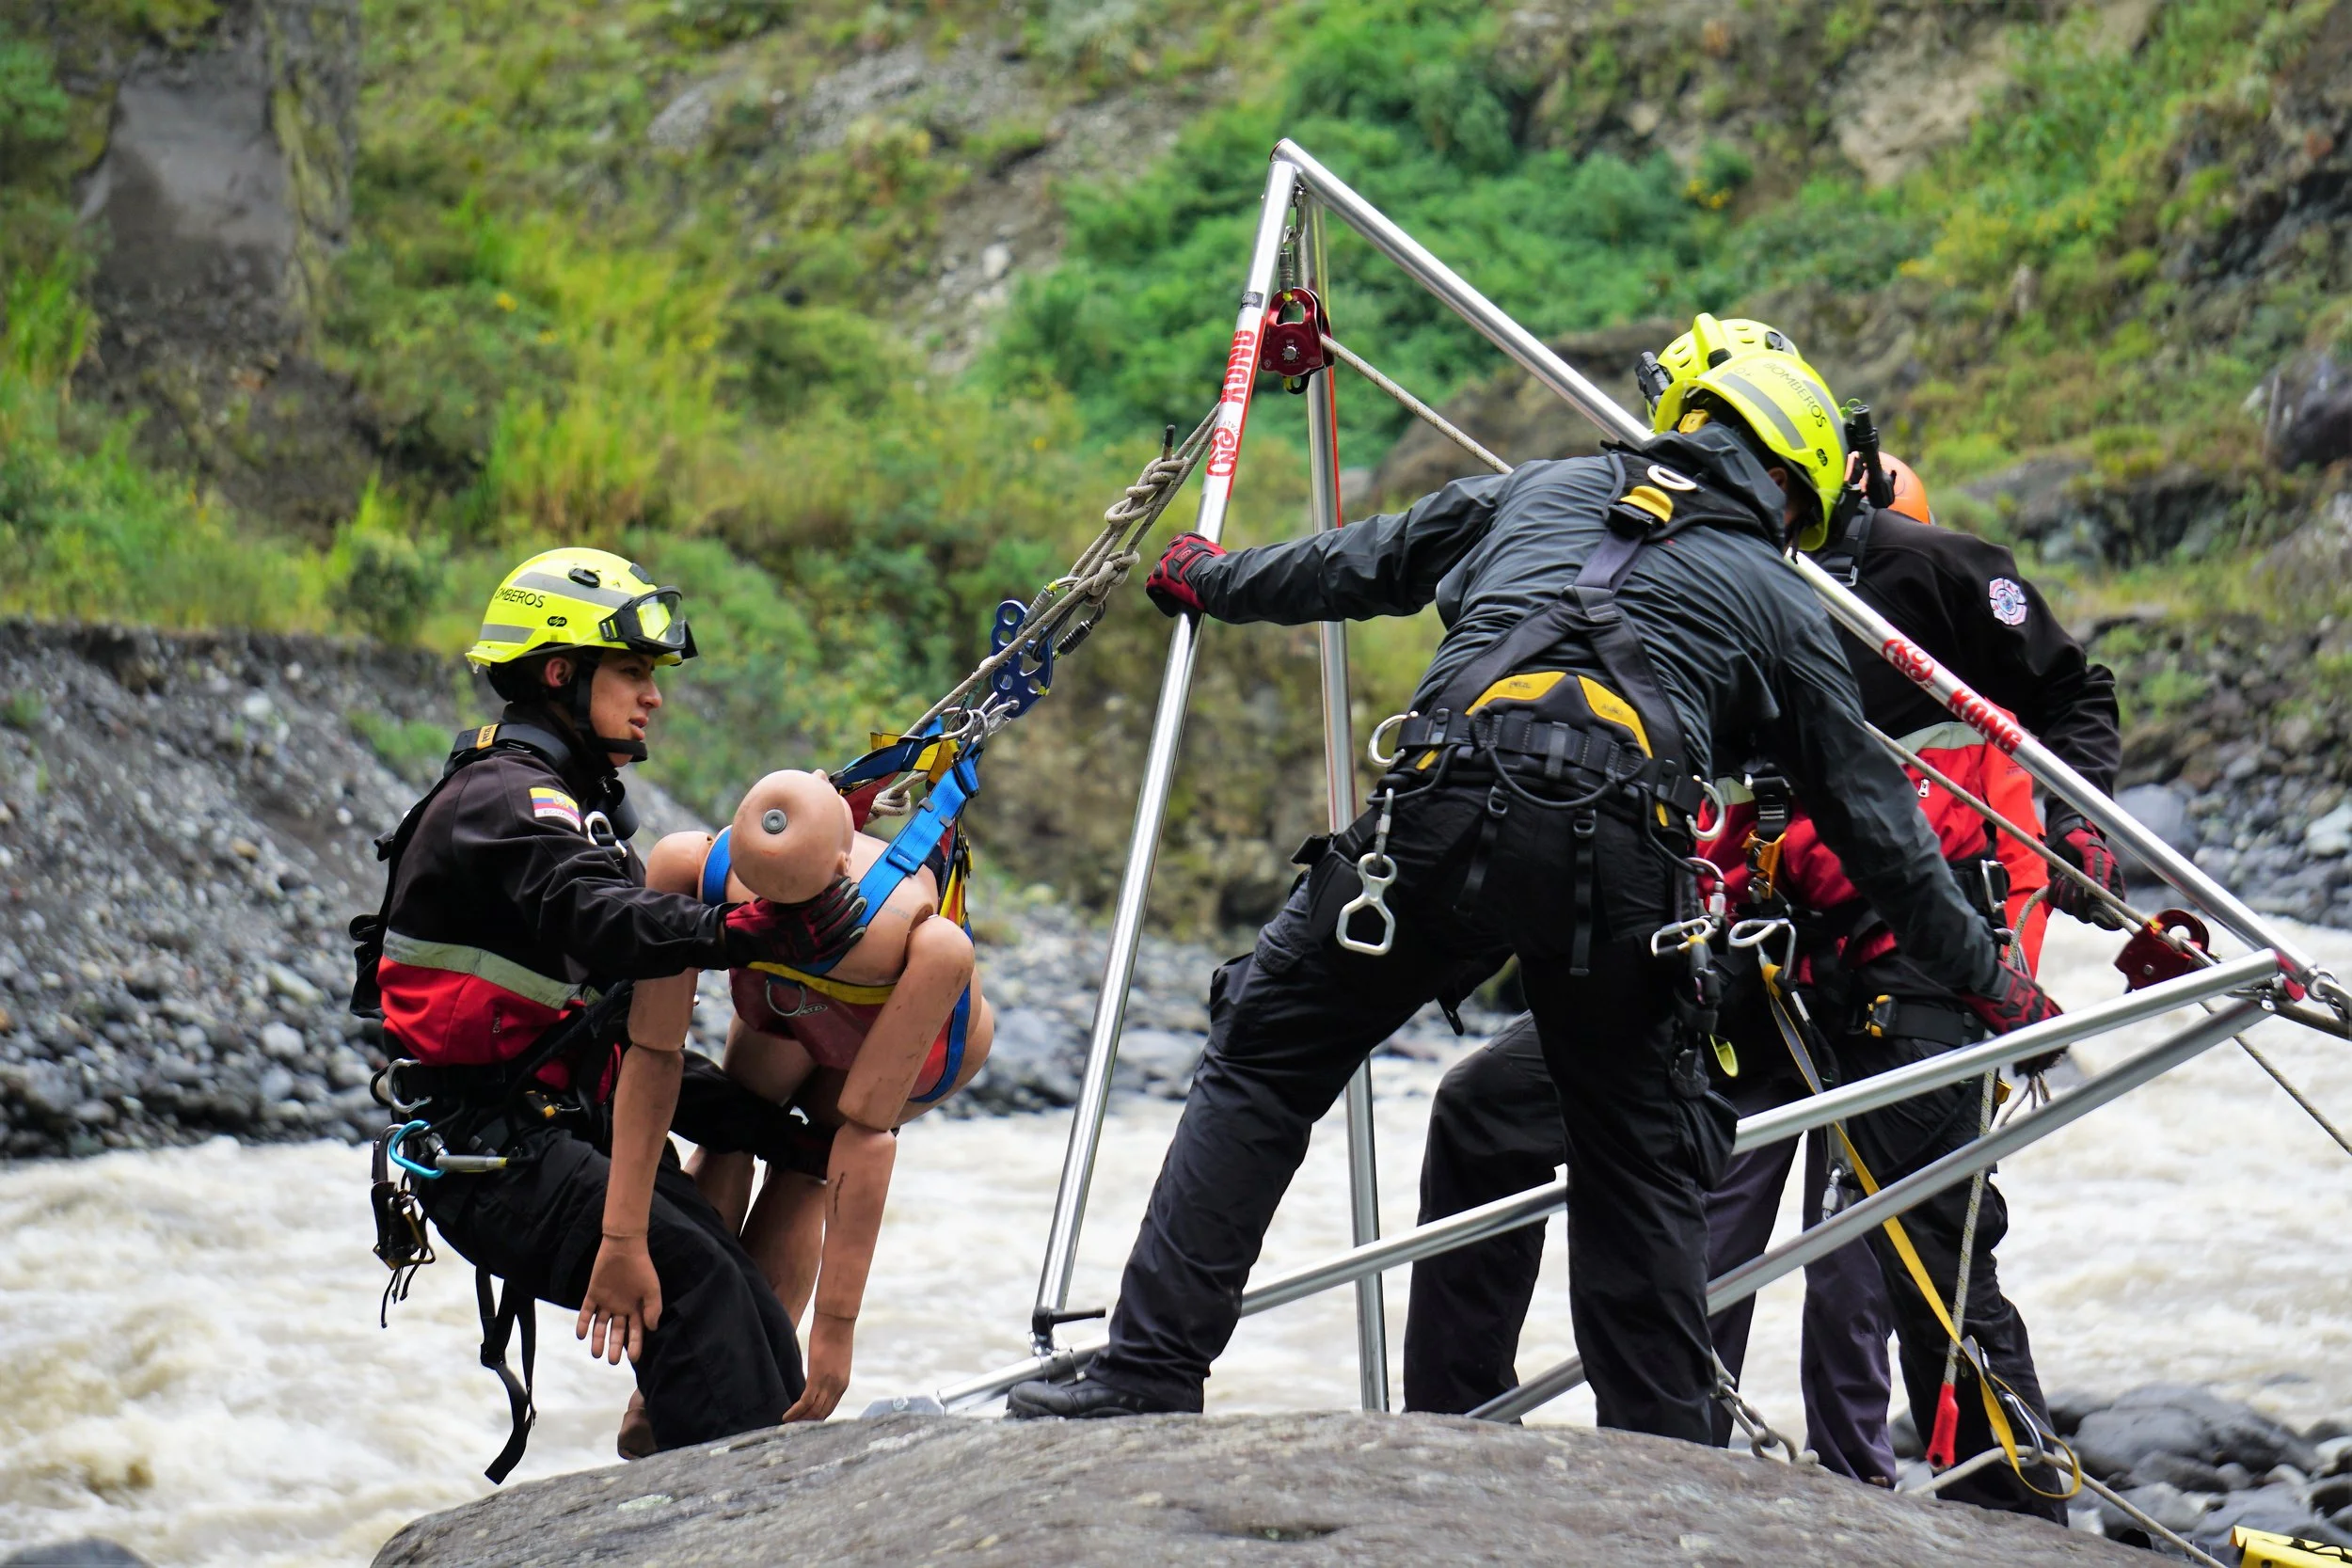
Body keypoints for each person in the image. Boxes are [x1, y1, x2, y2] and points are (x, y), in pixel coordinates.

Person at [1007, 325, 2062, 1438]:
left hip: (1435, 817)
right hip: (1622, 872)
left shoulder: (1535, 489)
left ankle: (1151, 1364)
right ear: (1787, 484)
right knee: (1636, 1153)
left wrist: (1213, 581)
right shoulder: (1781, 599)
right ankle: (1665, 1451)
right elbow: (1881, 835)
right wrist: (1991, 980)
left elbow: (1356, 561)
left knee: (1268, 1055)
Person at [1401, 319, 2122, 1517]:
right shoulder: (1680, 568)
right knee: (1518, 1125)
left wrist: (2079, 839)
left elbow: (2071, 690)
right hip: (1746, 949)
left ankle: (2017, 1514)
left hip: (1913, 965)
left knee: (1928, 1251)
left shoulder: (1939, 575)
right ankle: (1523, 1451)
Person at [354, 547, 872, 1470]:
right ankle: (746, 1518)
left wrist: (782, 1135)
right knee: (699, 1284)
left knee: (741, 1294)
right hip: (491, 1156)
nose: (653, 695)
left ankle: (734, 1488)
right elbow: (611, 920)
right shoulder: (505, 800)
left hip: (551, 1132)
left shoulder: (561, 809)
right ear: (562, 672)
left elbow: (625, 1043)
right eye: (632, 671)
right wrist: (753, 929)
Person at [635, 768, 996, 1430]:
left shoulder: (920, 940)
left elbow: (862, 1144)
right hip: (786, 996)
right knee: (731, 1126)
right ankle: (669, 1383)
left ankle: (767, 1382)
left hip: (904, 1026)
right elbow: (650, 1055)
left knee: (808, 1163)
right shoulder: (694, 863)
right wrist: (622, 1235)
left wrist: (836, 1331)